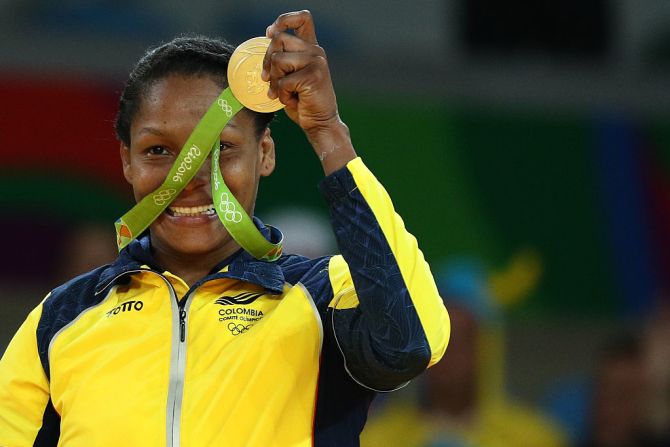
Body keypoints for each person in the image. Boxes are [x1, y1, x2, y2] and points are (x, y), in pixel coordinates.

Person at [0, 10, 450, 447]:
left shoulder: (322, 297)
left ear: (265, 154)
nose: (191, 179)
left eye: (222, 149)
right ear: (127, 162)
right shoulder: (59, 319)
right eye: (159, 150)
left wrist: (327, 131)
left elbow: (409, 344)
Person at [361, 259, 566, 447]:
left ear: (487, 350)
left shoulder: (533, 439)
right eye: (437, 339)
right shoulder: (377, 439)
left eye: (461, 341)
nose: (447, 356)